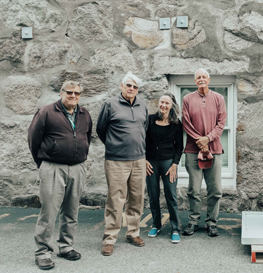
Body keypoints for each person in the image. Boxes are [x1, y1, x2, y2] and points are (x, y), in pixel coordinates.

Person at [28, 81, 92, 270]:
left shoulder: (84, 114)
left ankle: (66, 246)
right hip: (53, 167)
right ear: (61, 93)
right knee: (49, 212)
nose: (73, 96)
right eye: (70, 92)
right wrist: (43, 163)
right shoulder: (47, 112)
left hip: (77, 167)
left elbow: (87, 137)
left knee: (71, 210)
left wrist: (81, 156)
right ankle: (43, 253)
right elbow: (33, 139)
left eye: (77, 93)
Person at [96, 71, 148, 256]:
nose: (132, 89)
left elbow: (144, 129)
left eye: (135, 86)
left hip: (139, 159)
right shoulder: (110, 104)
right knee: (115, 201)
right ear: (121, 86)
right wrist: (114, 145)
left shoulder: (142, 105)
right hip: (116, 160)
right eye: (129, 85)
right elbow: (101, 129)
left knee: (136, 198)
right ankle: (109, 239)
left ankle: (133, 233)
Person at [182, 68, 227, 237]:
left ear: (209, 79)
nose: (201, 79)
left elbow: (221, 123)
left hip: (214, 150)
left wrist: (208, 139)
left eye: (204, 77)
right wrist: (200, 142)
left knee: (215, 190)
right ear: (195, 81)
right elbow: (186, 124)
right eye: (198, 77)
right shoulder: (187, 99)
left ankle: (211, 222)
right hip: (193, 151)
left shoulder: (218, 98)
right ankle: (193, 221)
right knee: (194, 189)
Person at [145, 92, 183, 244]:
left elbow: (179, 146)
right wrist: (144, 159)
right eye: (161, 102)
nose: (163, 105)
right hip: (151, 163)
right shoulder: (149, 120)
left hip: (168, 163)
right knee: (153, 195)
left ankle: (175, 228)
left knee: (171, 195)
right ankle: (156, 224)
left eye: (167, 103)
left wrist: (175, 164)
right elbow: (142, 140)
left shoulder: (176, 124)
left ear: (172, 106)